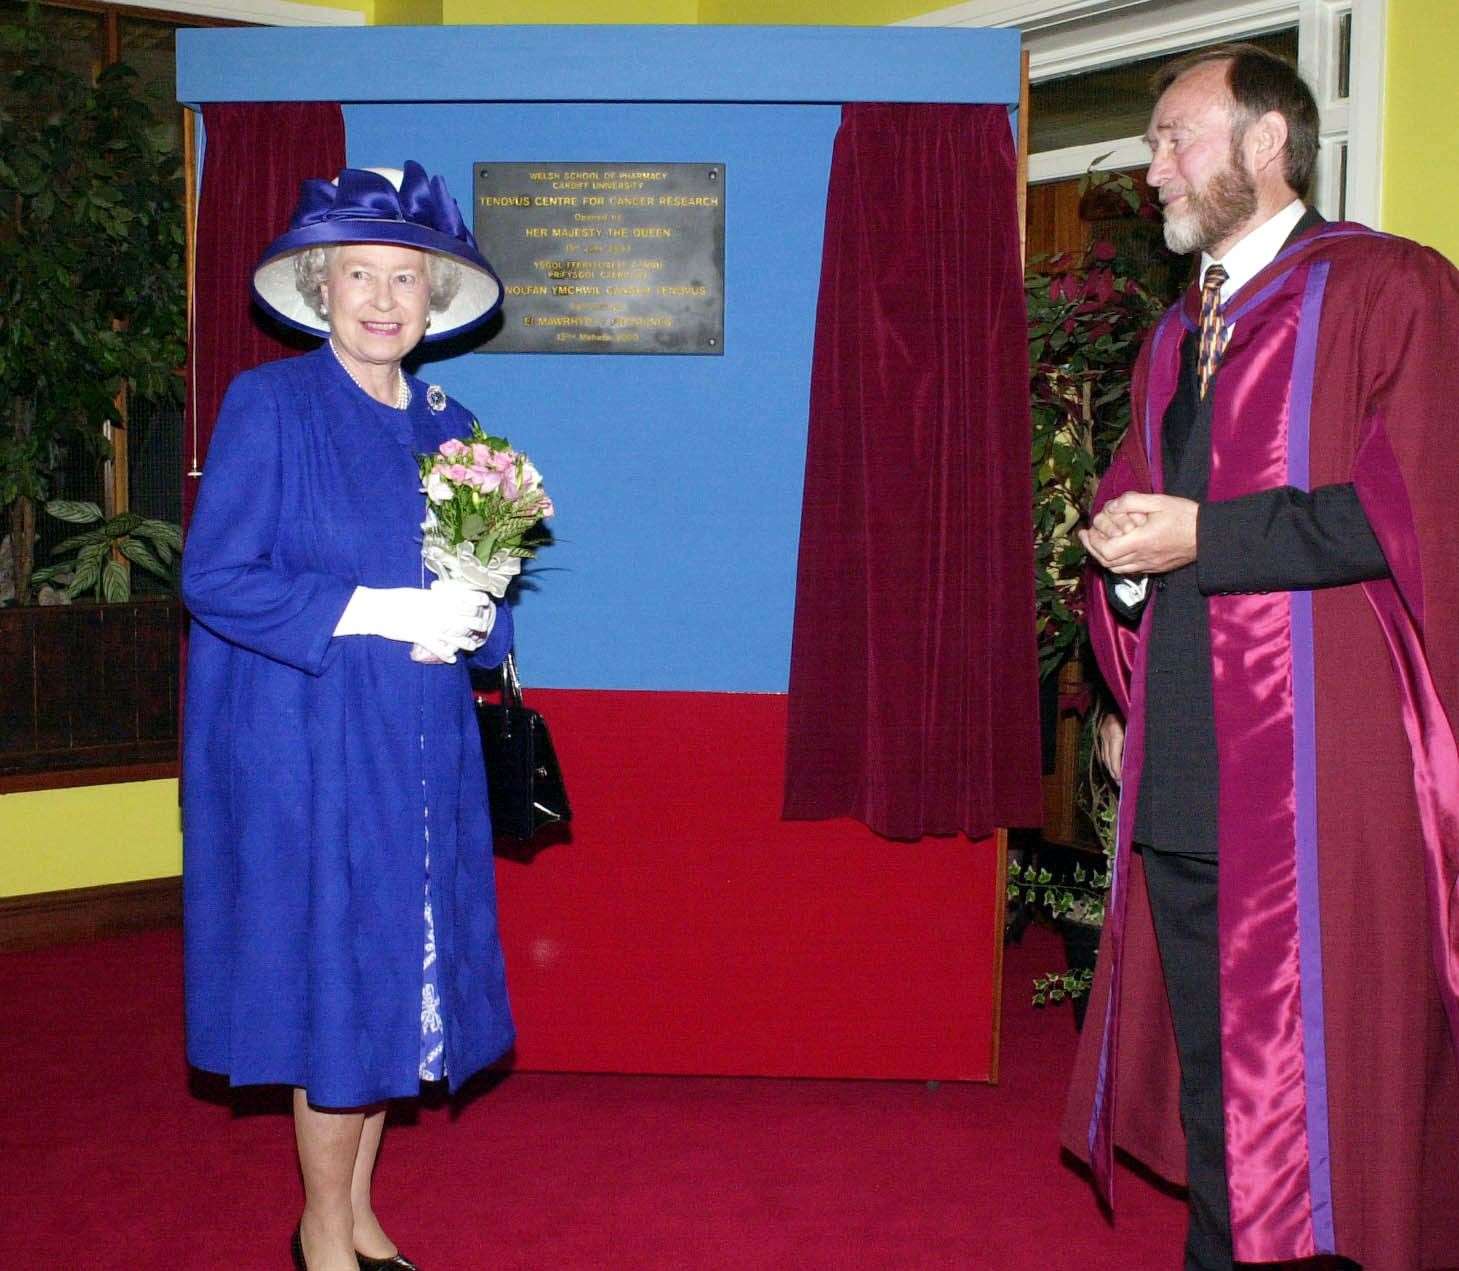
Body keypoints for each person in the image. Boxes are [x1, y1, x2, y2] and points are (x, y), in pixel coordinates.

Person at [1061, 45, 1459, 1271]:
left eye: (1177, 135)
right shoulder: (1175, 335)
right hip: (1183, 762)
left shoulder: (1392, 288)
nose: (1152, 162)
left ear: (1265, 143)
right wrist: (1124, 574)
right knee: (1213, 1079)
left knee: (1335, 1073)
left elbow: (1417, 513)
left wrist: (1203, 535)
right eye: (1153, 139)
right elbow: (1149, 516)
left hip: (1322, 768)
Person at [182, 161, 515, 1271]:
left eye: (404, 279)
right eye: (359, 275)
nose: (381, 298)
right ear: (321, 289)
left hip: (421, 746)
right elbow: (217, 578)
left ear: (433, 301)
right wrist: (374, 608)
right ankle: (321, 1230)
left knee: (394, 982)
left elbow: (487, 590)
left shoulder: (450, 422)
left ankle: (360, 1210)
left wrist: (475, 614)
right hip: (310, 745)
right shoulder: (268, 404)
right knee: (338, 986)